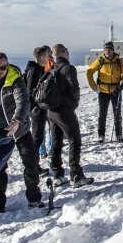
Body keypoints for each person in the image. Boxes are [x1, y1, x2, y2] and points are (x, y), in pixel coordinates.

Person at [0, 52, 43, 215]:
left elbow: (23, 101)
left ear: (8, 66)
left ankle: (34, 198)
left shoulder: (15, 79)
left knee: (30, 163)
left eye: (2, 67)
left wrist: (17, 120)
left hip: (19, 129)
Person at [46, 44, 92, 187]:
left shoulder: (51, 68)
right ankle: (76, 175)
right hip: (64, 111)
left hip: (51, 111)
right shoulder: (68, 68)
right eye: (67, 51)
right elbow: (74, 88)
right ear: (64, 52)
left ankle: (58, 174)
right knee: (75, 141)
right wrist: (73, 103)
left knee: (56, 142)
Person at [86, 41, 123, 143]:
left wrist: (122, 85)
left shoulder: (118, 61)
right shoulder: (100, 60)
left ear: (113, 50)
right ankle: (101, 135)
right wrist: (93, 86)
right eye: (105, 50)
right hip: (103, 91)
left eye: (109, 49)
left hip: (116, 91)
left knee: (117, 114)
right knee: (102, 114)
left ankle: (119, 135)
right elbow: (89, 71)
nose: (107, 52)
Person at [23, 46, 53, 172]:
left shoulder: (38, 69)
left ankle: (35, 166)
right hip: (37, 111)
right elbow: (30, 92)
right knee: (36, 139)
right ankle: (33, 167)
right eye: (47, 56)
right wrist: (36, 107)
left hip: (40, 109)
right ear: (41, 57)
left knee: (38, 138)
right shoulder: (34, 71)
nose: (49, 58)